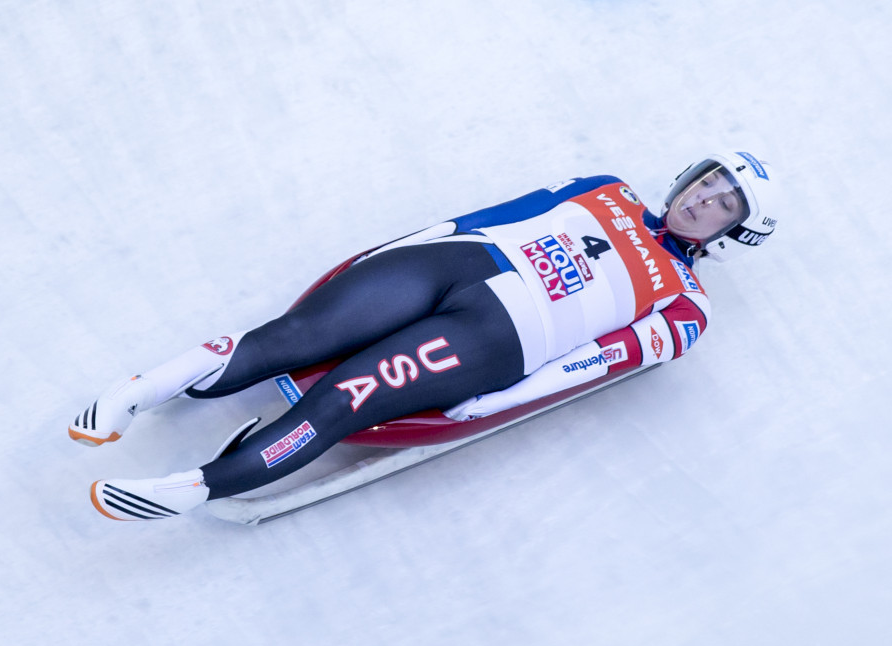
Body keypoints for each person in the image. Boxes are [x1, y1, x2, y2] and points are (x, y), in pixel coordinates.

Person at [71, 150, 780, 522]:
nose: (701, 199)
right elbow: (484, 214)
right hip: (458, 263)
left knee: (345, 400)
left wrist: (495, 402)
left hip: (501, 334)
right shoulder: (608, 187)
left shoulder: (687, 307)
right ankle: (137, 391)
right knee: (295, 334)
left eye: (722, 203)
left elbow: (596, 362)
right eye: (706, 181)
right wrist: (386, 254)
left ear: (731, 230)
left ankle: (195, 487)